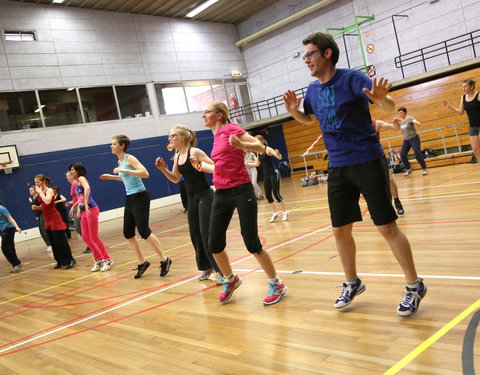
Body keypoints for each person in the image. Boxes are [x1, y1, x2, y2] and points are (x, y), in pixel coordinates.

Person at [283, 32, 425, 317]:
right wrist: (293, 112)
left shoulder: (351, 79)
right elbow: (310, 118)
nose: (306, 60)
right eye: (305, 56)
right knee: (340, 229)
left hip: (367, 161)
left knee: (386, 226)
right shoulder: (312, 91)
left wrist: (382, 100)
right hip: (337, 166)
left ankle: (414, 285)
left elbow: (387, 104)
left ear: (326, 54)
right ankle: (352, 282)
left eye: (310, 54)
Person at [191, 101, 288, 305]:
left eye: (207, 112)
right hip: (222, 192)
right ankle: (231, 279)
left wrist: (242, 145)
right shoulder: (216, 136)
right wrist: (205, 167)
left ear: (219, 115)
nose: (203, 115)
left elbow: (260, 146)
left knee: (252, 242)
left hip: (242, 190)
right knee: (214, 243)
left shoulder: (230, 129)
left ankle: (277, 283)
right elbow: (221, 165)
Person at [155, 125, 222, 284]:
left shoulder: (195, 152)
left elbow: (215, 167)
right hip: (192, 199)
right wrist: (163, 169)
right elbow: (175, 178)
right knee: (195, 235)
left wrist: (200, 166)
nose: (170, 139)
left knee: (206, 233)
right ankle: (206, 267)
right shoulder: (177, 157)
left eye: (172, 136)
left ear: (182, 137)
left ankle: (220, 270)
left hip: (205, 195)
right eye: (169, 136)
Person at [100, 135, 172, 279]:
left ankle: (165, 259)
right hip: (130, 197)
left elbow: (145, 173)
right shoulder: (119, 161)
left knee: (144, 231)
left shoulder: (129, 158)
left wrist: (124, 170)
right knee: (128, 233)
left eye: (114, 144)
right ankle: (142, 262)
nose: (111, 146)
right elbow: (126, 178)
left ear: (122, 145)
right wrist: (112, 177)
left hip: (140, 196)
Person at [69, 162, 114, 272]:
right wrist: (75, 207)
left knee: (94, 236)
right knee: (85, 237)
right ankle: (99, 259)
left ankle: (107, 259)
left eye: (73, 169)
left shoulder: (82, 178)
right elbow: (80, 197)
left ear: (78, 170)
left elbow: (87, 189)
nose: (71, 171)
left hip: (91, 209)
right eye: (70, 169)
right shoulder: (76, 182)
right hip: (84, 210)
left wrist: (84, 203)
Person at [34, 174, 76, 269]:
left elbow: (48, 201)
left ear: (43, 181)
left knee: (60, 240)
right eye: (35, 182)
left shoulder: (49, 190)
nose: (36, 184)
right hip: (47, 218)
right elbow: (45, 205)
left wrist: (40, 193)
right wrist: (38, 207)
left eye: (38, 182)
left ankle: (70, 260)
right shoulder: (41, 192)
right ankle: (60, 261)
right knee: (53, 241)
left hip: (54, 217)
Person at [373, 120, 405, 215]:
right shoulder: (354, 127)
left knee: (390, 180)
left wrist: (396, 124)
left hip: (378, 156)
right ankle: (383, 206)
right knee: (374, 185)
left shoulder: (375, 123)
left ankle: (397, 202)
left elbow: (394, 127)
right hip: (364, 160)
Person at [443, 79, 480, 164]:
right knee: (475, 150)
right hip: (473, 127)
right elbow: (461, 112)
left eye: (465, 86)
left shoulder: (478, 95)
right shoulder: (463, 98)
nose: (463, 88)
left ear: (471, 86)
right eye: (462, 87)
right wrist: (450, 107)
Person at [254, 135, 288, 222]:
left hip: (274, 173)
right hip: (266, 176)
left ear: (262, 141)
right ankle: (275, 213)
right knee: (268, 195)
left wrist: (278, 153)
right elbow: (257, 164)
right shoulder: (258, 152)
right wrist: (245, 163)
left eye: (257, 140)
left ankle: (285, 212)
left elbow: (279, 157)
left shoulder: (267, 149)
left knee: (276, 194)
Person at [393, 107, 428, 176]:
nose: (400, 114)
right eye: (399, 113)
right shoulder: (400, 121)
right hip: (406, 140)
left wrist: (416, 123)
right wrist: (395, 122)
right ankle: (408, 169)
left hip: (414, 138)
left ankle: (424, 169)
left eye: (401, 112)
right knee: (402, 154)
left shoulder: (410, 118)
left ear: (405, 112)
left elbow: (415, 122)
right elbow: (395, 128)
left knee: (417, 154)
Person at [65, 171, 90, 254]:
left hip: (80, 206)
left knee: (79, 227)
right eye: (67, 176)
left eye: (69, 175)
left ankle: (90, 244)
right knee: (79, 228)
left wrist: (76, 206)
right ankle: (90, 244)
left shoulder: (76, 184)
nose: (68, 177)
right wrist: (71, 203)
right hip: (77, 206)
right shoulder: (72, 185)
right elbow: (76, 198)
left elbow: (81, 197)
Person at [0, 199, 22, 273]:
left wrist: (17, 227)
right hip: (3, 230)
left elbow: (10, 218)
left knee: (5, 248)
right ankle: (16, 265)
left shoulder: (1, 208)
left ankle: (17, 263)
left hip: (8, 228)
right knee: (11, 248)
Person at [28, 186, 52, 252]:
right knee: (41, 231)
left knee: (44, 230)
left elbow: (38, 205)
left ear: (35, 190)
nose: (30, 192)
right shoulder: (33, 198)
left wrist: (31, 201)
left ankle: (50, 245)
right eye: (29, 190)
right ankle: (48, 245)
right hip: (38, 215)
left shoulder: (38, 197)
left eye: (31, 190)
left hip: (43, 214)